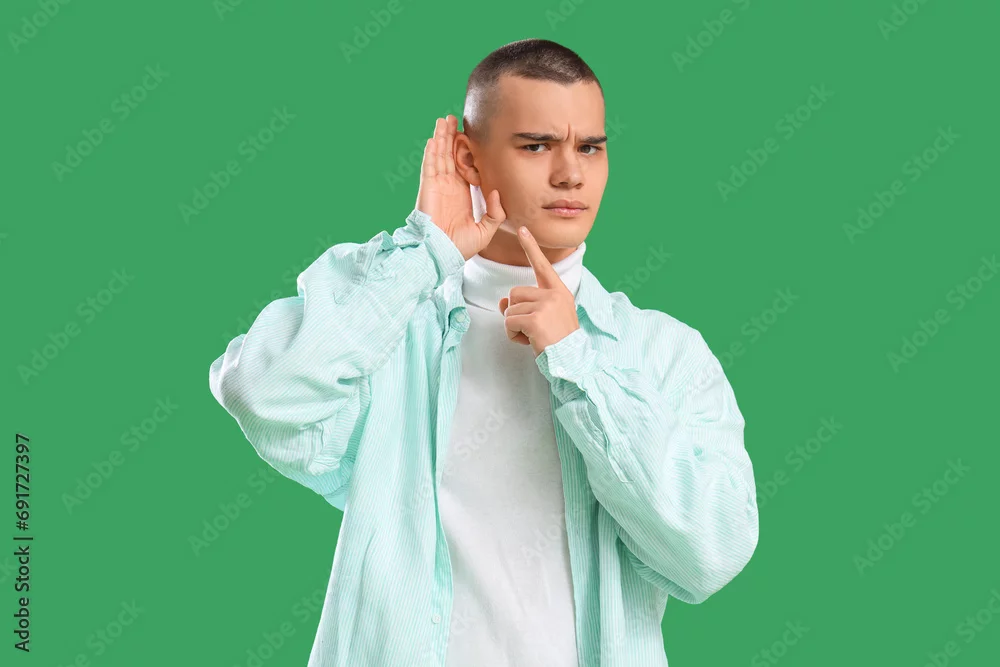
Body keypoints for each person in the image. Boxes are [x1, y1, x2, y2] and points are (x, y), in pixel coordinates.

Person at [209, 38, 758, 667]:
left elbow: (709, 556)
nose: (570, 174)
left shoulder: (664, 353)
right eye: (536, 146)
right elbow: (265, 394)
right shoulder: (392, 332)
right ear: (468, 159)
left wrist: (577, 360)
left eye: (589, 147)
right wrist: (425, 251)